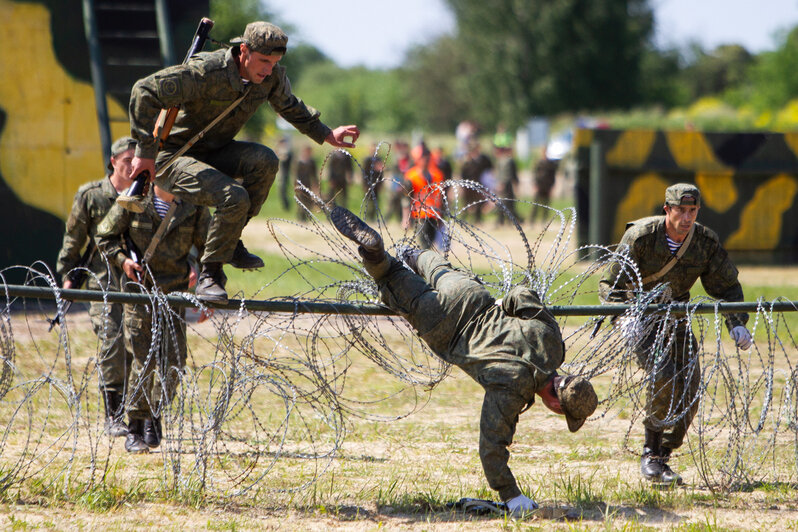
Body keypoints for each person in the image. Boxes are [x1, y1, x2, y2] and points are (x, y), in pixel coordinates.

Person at [328, 206, 598, 514]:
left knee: (440, 270)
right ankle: (375, 253)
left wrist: (502, 307)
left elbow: (521, 295)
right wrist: (511, 496)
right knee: (389, 275)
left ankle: (413, 253)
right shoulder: (512, 389)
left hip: (471, 296)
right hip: (444, 326)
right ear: (556, 404)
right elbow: (491, 447)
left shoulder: (552, 344)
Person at [127, 21, 359, 304]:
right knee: (233, 197)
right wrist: (145, 152)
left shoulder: (269, 78)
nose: (268, 69)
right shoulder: (206, 71)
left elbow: (289, 105)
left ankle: (231, 240)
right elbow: (144, 90)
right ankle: (210, 275)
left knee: (265, 161)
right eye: (263, 60)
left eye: (274, 62)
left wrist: (326, 133)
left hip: (215, 151)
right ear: (244, 51)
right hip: (173, 157)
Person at [599, 183, 753, 485]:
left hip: (677, 317)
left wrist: (737, 322)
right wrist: (625, 317)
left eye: (692, 210)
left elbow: (726, 286)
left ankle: (663, 454)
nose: (686, 217)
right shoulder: (641, 237)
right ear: (666, 209)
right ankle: (650, 451)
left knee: (690, 388)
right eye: (680, 210)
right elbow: (611, 285)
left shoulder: (704, 242)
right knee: (664, 376)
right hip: (640, 317)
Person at [96, 185, 210, 453]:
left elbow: (209, 248)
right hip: (139, 293)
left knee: (174, 362)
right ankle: (136, 426)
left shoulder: (194, 203)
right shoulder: (134, 199)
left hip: (174, 294)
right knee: (143, 360)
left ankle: (154, 413)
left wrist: (201, 274)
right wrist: (123, 260)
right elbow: (105, 237)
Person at [55, 136, 138, 438]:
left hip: (135, 283)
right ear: (113, 161)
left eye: (136, 159)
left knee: (134, 345)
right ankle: (113, 415)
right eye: (126, 160)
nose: (132, 165)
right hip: (102, 283)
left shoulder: (144, 194)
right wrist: (67, 273)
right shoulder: (92, 195)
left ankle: (134, 411)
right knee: (111, 341)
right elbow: (74, 238)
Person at [402, 146, 446, 250]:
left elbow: (440, 197)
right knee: (424, 244)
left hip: (434, 214)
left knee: (431, 243)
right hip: (419, 215)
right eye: (423, 158)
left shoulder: (437, 174)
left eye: (428, 158)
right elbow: (405, 199)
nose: (426, 161)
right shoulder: (411, 176)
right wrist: (405, 218)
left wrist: (442, 216)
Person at [459, 140, 493, 223]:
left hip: (479, 183)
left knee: (478, 201)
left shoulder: (483, 159)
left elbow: (489, 169)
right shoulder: (467, 160)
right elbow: (463, 172)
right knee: (467, 201)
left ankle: (477, 218)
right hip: (468, 184)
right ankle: (464, 217)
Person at [493, 138, 520, 226]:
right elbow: (507, 174)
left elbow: (510, 173)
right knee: (505, 202)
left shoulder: (503, 160)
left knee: (506, 202)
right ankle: (502, 220)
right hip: (505, 184)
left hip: (504, 184)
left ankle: (505, 221)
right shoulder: (507, 161)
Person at [530, 149, 557, 224]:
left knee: (546, 205)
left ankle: (544, 221)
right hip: (539, 185)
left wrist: (551, 186)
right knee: (536, 204)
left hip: (547, 186)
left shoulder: (550, 164)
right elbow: (535, 174)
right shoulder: (538, 163)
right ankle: (532, 221)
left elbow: (552, 176)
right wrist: (535, 185)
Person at [294, 145, 319, 221]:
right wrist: (296, 185)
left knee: (308, 200)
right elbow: (296, 174)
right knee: (301, 200)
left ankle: (307, 216)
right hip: (300, 183)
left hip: (308, 184)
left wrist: (316, 185)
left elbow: (314, 175)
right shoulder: (299, 161)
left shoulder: (312, 162)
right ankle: (301, 217)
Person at [361, 143, 385, 221]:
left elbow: (381, 172)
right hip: (368, 183)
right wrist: (364, 184)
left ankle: (373, 217)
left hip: (376, 184)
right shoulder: (367, 160)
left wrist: (381, 183)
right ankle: (367, 216)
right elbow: (364, 173)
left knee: (376, 201)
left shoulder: (379, 159)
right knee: (368, 201)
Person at [275, 135, 294, 211]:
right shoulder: (281, 151)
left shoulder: (287, 152)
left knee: (283, 190)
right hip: (280, 173)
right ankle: (285, 206)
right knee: (281, 191)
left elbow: (284, 158)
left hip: (285, 174)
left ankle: (287, 206)